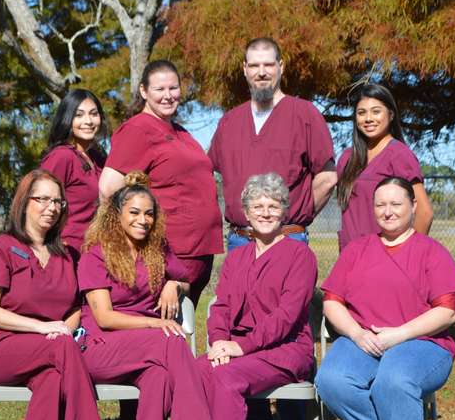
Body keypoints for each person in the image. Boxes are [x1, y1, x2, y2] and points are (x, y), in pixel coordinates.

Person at [77, 171, 243, 420]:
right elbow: (104, 318)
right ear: (116, 214)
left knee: (160, 376)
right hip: (99, 347)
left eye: (149, 214)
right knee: (170, 338)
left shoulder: (156, 249)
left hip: (144, 350)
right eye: (134, 212)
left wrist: (173, 286)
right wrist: (153, 324)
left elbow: (187, 282)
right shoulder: (96, 254)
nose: (143, 220)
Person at [315, 177, 455, 420]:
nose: (388, 211)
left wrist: (399, 335)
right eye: (380, 205)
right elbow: (332, 302)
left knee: (394, 380)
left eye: (396, 203)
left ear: (413, 205)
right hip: (363, 340)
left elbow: (449, 311)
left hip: (421, 343)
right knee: (331, 381)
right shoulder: (357, 250)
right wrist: (356, 333)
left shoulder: (431, 251)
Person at [0, 169, 110, 420]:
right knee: (64, 346)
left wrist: (65, 327)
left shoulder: (67, 255)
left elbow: (75, 307)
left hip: (47, 353)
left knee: (53, 379)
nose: (51, 207)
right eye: (42, 199)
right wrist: (44, 328)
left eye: (57, 201)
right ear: (23, 202)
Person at [196, 172, 317, 420]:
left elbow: (287, 316)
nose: (265, 213)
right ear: (247, 214)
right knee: (193, 371)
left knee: (225, 377)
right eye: (257, 207)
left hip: (285, 349)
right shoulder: (237, 257)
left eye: (273, 206)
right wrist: (218, 342)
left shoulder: (300, 256)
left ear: (284, 212)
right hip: (237, 347)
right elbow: (222, 306)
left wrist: (241, 347)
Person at [98, 60, 223, 306]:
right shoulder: (138, 129)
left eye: (173, 88)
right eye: (160, 89)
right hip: (168, 252)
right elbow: (109, 188)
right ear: (144, 92)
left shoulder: (180, 132)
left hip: (199, 250)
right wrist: (131, 246)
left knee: (181, 332)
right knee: (160, 332)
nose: (168, 96)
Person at [208, 37, 337, 252]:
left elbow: (328, 178)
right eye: (254, 65)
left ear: (281, 67)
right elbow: (207, 173)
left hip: (287, 239)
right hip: (240, 241)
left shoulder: (304, 115)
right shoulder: (229, 122)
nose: (261, 72)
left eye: (268, 64)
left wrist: (295, 214)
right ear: (244, 69)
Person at [336, 83, 433, 250]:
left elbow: (424, 213)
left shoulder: (399, 155)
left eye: (376, 111)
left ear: (391, 114)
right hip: (350, 258)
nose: (368, 118)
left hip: (383, 259)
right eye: (361, 113)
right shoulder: (346, 158)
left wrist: (404, 256)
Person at [40, 88, 107, 249]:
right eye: (79, 115)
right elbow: (39, 205)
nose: (88, 121)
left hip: (96, 252)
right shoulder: (61, 157)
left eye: (93, 114)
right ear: (67, 118)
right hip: (67, 251)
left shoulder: (99, 158)